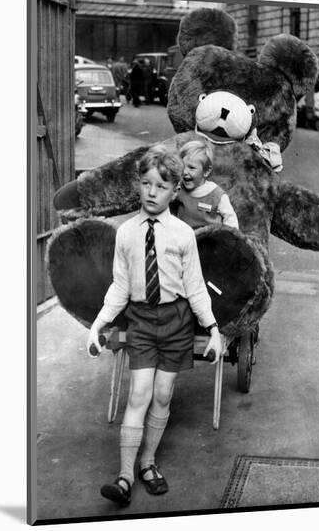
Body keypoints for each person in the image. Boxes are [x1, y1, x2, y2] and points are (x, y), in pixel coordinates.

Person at [87, 144, 223, 506]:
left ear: (175, 190)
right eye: (146, 184)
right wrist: (98, 324)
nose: (151, 192)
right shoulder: (126, 233)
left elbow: (194, 286)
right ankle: (125, 476)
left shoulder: (182, 235)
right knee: (138, 394)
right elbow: (119, 284)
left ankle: (148, 463)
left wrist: (212, 329)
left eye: (161, 187)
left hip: (177, 320)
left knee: (163, 396)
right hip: (142, 320)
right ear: (139, 184)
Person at [177, 139, 239, 229]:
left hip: (209, 239)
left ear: (206, 171)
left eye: (191, 167)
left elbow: (230, 218)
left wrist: (230, 239)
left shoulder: (216, 195)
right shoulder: (178, 188)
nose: (185, 172)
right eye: (182, 166)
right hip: (185, 237)